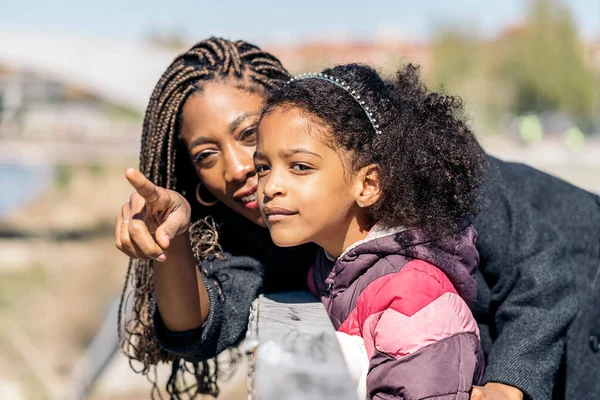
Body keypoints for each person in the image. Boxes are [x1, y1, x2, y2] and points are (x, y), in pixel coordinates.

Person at [116, 37, 599, 400]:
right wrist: (171, 244)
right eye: (206, 154)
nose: (240, 168)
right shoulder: (269, 224)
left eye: (249, 135)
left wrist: (508, 381)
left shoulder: (423, 161)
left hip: (580, 264)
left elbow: (541, 274)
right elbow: (200, 329)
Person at [252, 63, 486, 398]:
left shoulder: (413, 294)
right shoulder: (330, 269)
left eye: (300, 167)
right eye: (263, 167)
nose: (270, 186)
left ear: (368, 184)